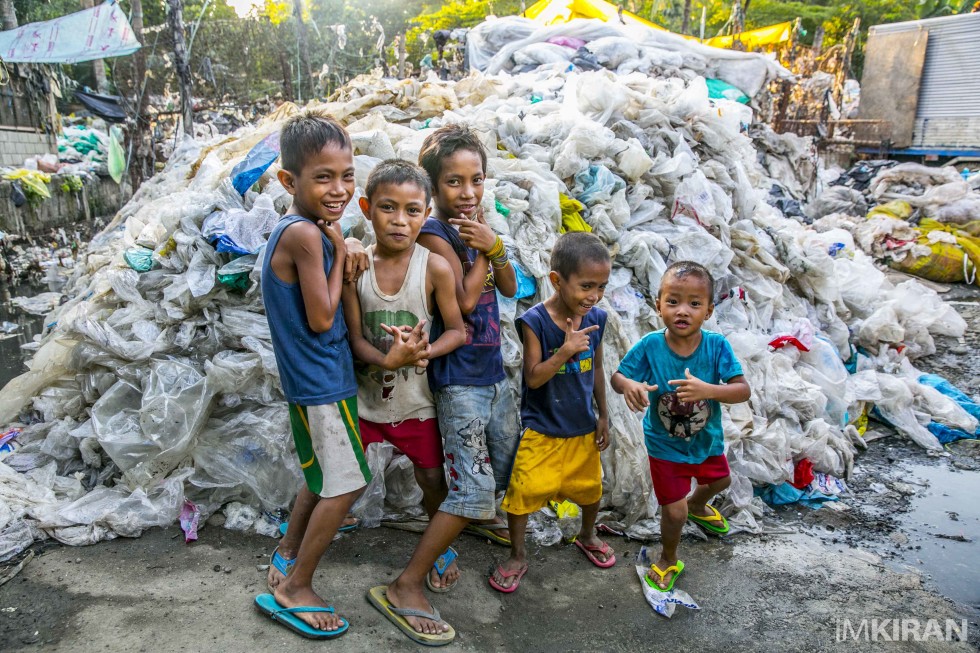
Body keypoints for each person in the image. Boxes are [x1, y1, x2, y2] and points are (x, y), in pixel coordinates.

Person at [254, 110, 370, 639]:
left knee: (321, 475)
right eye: (323, 177)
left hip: (311, 379)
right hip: (321, 379)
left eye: (347, 176)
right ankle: (296, 586)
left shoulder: (304, 228)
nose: (339, 189)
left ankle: (287, 553)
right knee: (347, 485)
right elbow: (322, 317)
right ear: (289, 181)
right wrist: (342, 251)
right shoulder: (305, 235)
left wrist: (339, 243)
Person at [348, 160, 465, 645]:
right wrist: (387, 359)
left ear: (426, 213)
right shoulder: (355, 267)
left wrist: (424, 353)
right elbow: (354, 339)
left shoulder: (433, 267)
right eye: (388, 208)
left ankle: (437, 547)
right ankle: (299, 546)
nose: (400, 220)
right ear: (366, 208)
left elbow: (458, 329)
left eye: (412, 210)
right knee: (342, 477)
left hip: (417, 403)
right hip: (365, 401)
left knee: (432, 479)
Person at [611, 261, 750, 592]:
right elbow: (618, 376)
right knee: (674, 514)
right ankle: (668, 558)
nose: (683, 311)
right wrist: (629, 385)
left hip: (706, 441)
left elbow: (742, 390)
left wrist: (709, 391)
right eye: (673, 301)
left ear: (709, 310)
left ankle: (697, 505)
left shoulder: (716, 346)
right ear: (658, 305)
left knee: (721, 480)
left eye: (694, 303)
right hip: (664, 445)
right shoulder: (651, 346)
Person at [489, 232, 616, 593]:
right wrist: (564, 351)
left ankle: (587, 536)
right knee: (522, 494)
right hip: (542, 429)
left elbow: (597, 368)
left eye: (601, 287)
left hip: (581, 428)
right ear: (557, 280)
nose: (593, 296)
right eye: (586, 286)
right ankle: (517, 555)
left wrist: (603, 416)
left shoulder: (597, 318)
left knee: (590, 489)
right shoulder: (535, 322)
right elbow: (533, 377)